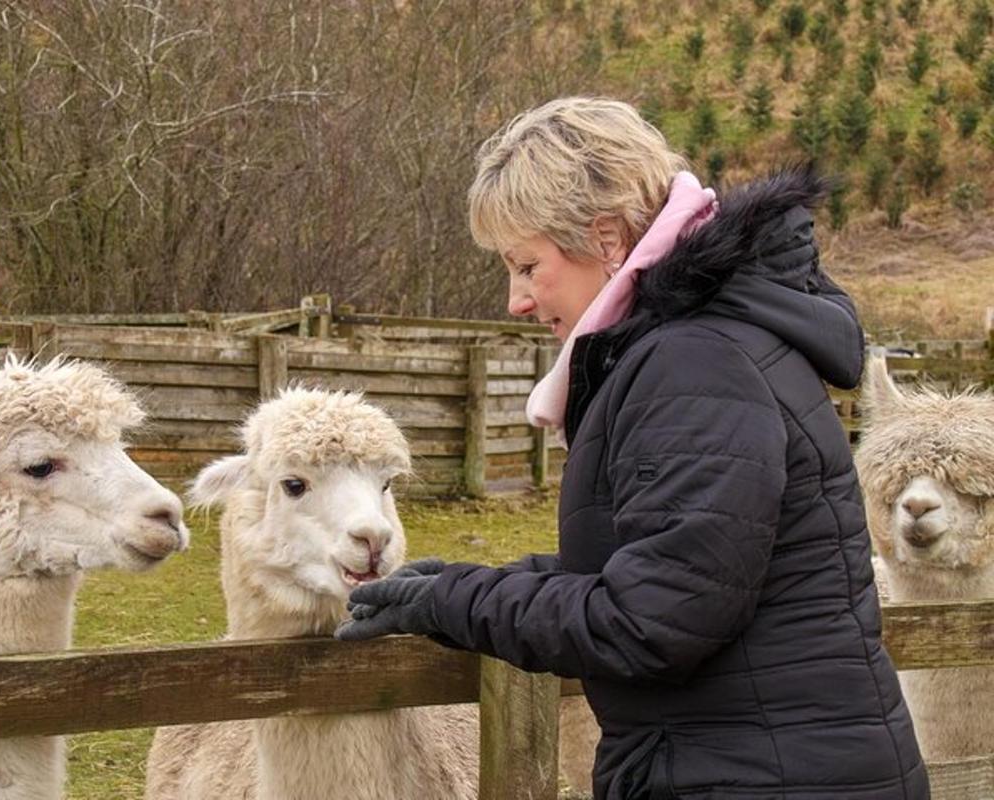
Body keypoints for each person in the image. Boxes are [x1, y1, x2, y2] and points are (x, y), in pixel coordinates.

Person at [335, 96, 927, 799]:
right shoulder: (700, 344)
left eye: (527, 266)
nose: (516, 300)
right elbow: (669, 566)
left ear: (608, 239)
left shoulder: (695, 363)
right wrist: (456, 587)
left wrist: (457, 603)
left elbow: (650, 624)